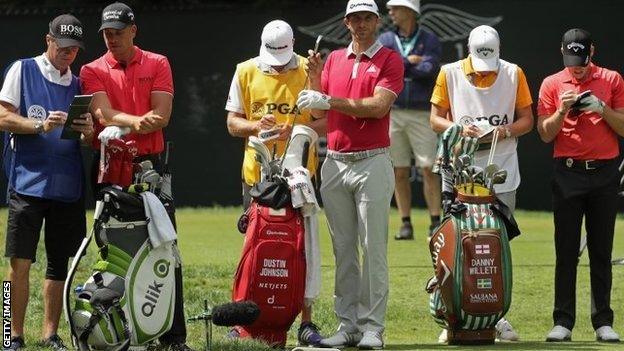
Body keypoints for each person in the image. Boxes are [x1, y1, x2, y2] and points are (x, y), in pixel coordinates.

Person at [79, 3, 192, 350]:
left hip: (152, 166)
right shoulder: (92, 68)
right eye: (106, 33)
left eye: (117, 32)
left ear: (133, 31)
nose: (111, 38)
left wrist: (136, 121)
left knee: (165, 247)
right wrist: (133, 121)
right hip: (110, 166)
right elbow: (101, 111)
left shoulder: (157, 62)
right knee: (112, 249)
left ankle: (173, 336)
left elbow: (163, 113)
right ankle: (123, 326)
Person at [297, 0, 404, 348]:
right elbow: (317, 113)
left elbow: (378, 107)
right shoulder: (334, 61)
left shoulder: (389, 58)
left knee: (372, 248)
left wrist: (330, 101)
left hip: (372, 161)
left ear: (377, 21)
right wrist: (315, 78)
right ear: (346, 22)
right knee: (343, 250)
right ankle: (348, 326)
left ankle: (374, 328)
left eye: (367, 18)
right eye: (355, 18)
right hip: (335, 162)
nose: (361, 24)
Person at [224, 19, 325, 346]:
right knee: (251, 247)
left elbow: (322, 122)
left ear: (294, 44)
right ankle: (243, 320)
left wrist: (318, 79)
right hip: (257, 177)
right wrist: (256, 126)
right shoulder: (245, 70)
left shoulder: (308, 71)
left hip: (299, 176)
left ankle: (306, 323)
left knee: (303, 250)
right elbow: (231, 123)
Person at [429, 25, 533, 342]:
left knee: (494, 246)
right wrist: (462, 130)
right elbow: (435, 119)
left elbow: (527, 120)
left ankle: (495, 316)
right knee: (454, 244)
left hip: (500, 163)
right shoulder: (449, 72)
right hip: (459, 167)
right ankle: (452, 312)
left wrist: (503, 131)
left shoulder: (514, 73)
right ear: (469, 51)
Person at [1, 14, 93, 351]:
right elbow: (2, 116)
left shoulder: (80, 84)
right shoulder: (22, 70)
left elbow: (87, 137)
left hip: (67, 185)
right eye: (63, 47)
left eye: (74, 49)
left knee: (59, 264)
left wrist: (86, 133)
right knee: (18, 263)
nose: (68, 54)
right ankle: (12, 335)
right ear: (48, 41)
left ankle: (50, 335)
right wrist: (38, 126)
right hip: (27, 182)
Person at [537, 28, 623, 343]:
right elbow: (545, 133)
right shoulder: (551, 83)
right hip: (568, 172)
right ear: (563, 52)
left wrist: (602, 109)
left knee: (601, 250)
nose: (578, 67)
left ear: (592, 52)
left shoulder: (611, 80)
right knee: (566, 250)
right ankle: (563, 321)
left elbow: (623, 126)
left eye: (583, 60)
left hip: (604, 173)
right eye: (572, 60)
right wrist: (561, 109)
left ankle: (603, 321)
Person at [379, 0, 442, 240]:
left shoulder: (430, 39)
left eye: (395, 7)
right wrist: (409, 61)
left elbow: (428, 69)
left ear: (410, 11)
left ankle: (435, 222)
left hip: (421, 113)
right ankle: (405, 224)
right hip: (393, 111)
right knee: (400, 171)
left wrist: (400, 64)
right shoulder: (385, 40)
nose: (390, 12)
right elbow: (385, 67)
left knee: (428, 169)